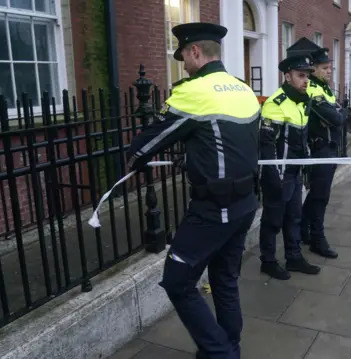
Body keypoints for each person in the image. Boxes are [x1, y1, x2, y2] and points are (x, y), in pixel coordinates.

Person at [126, 22, 261, 359]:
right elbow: (231, 145)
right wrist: (196, 158)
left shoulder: (193, 91)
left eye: (184, 55)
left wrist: (131, 161)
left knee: (177, 281)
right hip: (245, 202)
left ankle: (220, 354)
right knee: (225, 280)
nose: (183, 64)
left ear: (195, 52)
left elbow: (148, 144)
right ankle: (229, 347)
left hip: (216, 208)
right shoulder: (242, 89)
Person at [258, 54, 322, 280]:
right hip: (279, 174)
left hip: (294, 172)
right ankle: (268, 261)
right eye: (301, 75)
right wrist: (274, 177)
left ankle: (293, 257)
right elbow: (267, 146)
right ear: (287, 76)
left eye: (308, 76)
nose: (306, 81)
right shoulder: (275, 104)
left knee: (294, 217)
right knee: (273, 220)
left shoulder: (301, 100)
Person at [300, 46, 346, 259]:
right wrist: (339, 112)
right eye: (325, 68)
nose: (329, 72)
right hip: (320, 149)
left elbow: (340, 114)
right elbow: (338, 118)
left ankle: (303, 229)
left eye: (330, 68)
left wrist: (339, 112)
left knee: (317, 194)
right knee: (320, 196)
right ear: (314, 70)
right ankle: (317, 239)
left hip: (330, 148)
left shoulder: (324, 90)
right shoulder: (312, 90)